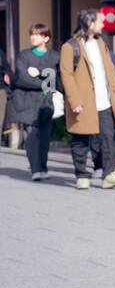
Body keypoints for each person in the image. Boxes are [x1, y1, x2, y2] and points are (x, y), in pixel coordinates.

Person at [60, 7, 115, 190]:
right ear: (89, 23)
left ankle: (110, 174)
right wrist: (74, 101)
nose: (103, 24)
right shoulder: (70, 47)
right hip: (83, 102)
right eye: (100, 21)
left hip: (104, 101)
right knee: (81, 139)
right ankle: (82, 175)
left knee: (108, 137)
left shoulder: (101, 44)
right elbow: (66, 76)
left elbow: (111, 72)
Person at [9, 23, 57, 180]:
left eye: (36, 34)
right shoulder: (23, 56)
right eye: (31, 34)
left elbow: (56, 77)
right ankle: (35, 169)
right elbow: (22, 78)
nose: (32, 37)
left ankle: (42, 168)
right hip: (27, 100)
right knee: (31, 135)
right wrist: (46, 83)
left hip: (46, 102)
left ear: (46, 38)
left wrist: (41, 74)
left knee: (44, 137)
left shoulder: (55, 56)